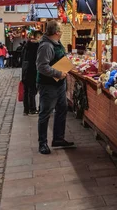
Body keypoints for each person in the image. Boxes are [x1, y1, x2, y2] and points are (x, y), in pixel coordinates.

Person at [36, 20, 74, 154]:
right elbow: (41, 66)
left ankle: (58, 138)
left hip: (59, 83)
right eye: (61, 29)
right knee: (45, 113)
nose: (62, 31)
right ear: (57, 32)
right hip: (48, 85)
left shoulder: (56, 43)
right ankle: (43, 143)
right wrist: (58, 73)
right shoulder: (46, 46)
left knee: (62, 109)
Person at [21, 31, 42, 115]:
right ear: (37, 38)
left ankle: (26, 109)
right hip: (32, 70)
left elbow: (22, 57)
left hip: (25, 70)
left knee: (26, 90)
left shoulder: (26, 46)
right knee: (32, 91)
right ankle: (32, 109)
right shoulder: (36, 46)